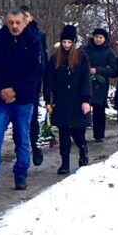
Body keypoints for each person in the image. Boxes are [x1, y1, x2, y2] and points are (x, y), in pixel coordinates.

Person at [0, 9, 44, 192]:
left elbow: (36, 73)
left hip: (24, 100)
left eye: (17, 22)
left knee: (22, 138)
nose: (14, 26)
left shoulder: (34, 42)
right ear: (6, 23)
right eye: (11, 22)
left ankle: (21, 176)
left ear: (24, 23)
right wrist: (1, 90)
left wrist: (16, 91)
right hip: (0, 100)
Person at [43, 25, 92, 175]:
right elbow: (49, 80)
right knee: (64, 135)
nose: (66, 45)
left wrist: (86, 100)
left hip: (78, 103)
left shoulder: (82, 58)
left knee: (78, 134)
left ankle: (83, 151)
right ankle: (64, 163)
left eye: (69, 42)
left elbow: (86, 80)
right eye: (64, 42)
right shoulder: (55, 58)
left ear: (74, 42)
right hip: (62, 102)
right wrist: (48, 100)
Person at [20, 5, 48, 167]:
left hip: (33, 83)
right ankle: (21, 149)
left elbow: (42, 59)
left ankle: (36, 147)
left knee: (32, 116)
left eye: (27, 16)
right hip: (16, 82)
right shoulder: (12, 33)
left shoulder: (38, 35)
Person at [85, 27, 118, 141]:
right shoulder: (86, 50)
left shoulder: (108, 52)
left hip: (101, 84)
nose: (98, 39)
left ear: (104, 39)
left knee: (99, 110)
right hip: (86, 82)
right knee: (85, 107)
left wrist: (98, 70)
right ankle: (80, 133)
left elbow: (114, 70)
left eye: (100, 37)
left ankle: (99, 135)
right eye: (96, 37)